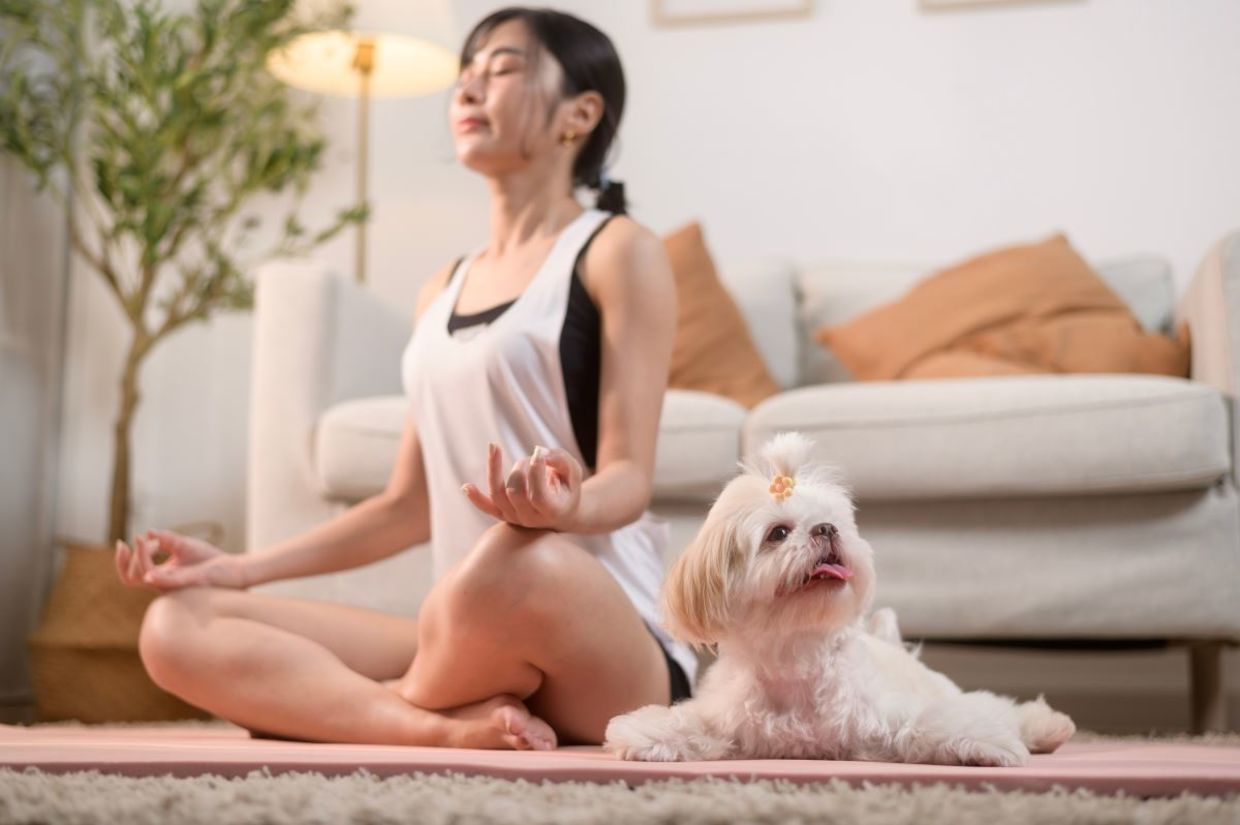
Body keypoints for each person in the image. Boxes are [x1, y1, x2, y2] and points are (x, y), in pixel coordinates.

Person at [113, 6, 695, 750]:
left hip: (596, 633)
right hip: (460, 627)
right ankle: (433, 727)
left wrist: (564, 503)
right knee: (177, 623)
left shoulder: (618, 251)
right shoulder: (441, 290)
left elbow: (628, 478)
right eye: (466, 75)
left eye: (504, 67)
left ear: (579, 114)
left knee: (520, 556)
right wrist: (240, 567)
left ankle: (356, 708)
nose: (471, 88)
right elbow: (403, 504)